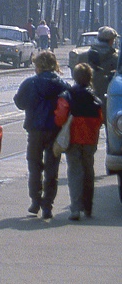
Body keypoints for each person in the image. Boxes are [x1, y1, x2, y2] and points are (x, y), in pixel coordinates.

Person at [13, 50, 69, 219]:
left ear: (38, 66)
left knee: (34, 166)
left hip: (35, 129)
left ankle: (35, 201)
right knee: (52, 168)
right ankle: (48, 205)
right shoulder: (62, 84)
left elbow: (19, 103)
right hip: (55, 130)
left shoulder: (30, 83)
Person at [55, 62, 104, 221]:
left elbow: (60, 116)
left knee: (75, 172)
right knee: (88, 171)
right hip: (89, 139)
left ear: (74, 77)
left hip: (73, 138)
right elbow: (100, 119)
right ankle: (88, 206)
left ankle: (75, 208)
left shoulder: (68, 95)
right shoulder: (94, 98)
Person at [87, 25, 118, 99]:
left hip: (91, 93)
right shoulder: (114, 57)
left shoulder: (87, 54)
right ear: (111, 40)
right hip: (110, 93)